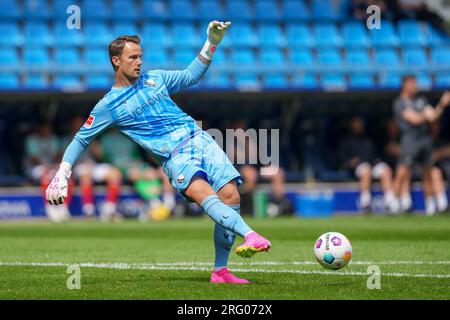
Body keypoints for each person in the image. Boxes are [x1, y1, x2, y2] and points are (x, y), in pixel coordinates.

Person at [45, 21, 271, 284]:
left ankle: (220, 272)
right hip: (175, 156)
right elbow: (81, 139)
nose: (139, 62)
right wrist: (63, 173)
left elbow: (191, 76)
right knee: (204, 194)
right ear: (116, 61)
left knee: (230, 194)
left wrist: (212, 42)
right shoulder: (108, 105)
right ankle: (251, 234)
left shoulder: (156, 78)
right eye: (133, 57)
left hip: (200, 140)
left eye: (141, 56)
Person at [392, 75, 450, 215]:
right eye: (412, 83)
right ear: (405, 85)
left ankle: (430, 205)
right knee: (402, 171)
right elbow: (416, 119)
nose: (415, 86)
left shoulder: (421, 100)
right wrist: (425, 115)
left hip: (425, 140)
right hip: (410, 140)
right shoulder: (399, 102)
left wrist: (442, 104)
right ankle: (393, 203)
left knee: (428, 172)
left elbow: (433, 116)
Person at [63, 116, 123, 221]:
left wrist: (93, 143)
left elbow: (101, 155)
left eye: (81, 123)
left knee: (115, 174)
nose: (79, 126)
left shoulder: (90, 135)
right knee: (86, 175)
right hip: (77, 167)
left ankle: (109, 210)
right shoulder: (67, 139)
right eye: (76, 124)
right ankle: (88, 211)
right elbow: (64, 159)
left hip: (94, 165)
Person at [338, 116, 398, 213]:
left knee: (385, 170)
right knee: (366, 170)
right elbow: (343, 160)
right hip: (358, 168)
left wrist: (376, 161)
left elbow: (376, 155)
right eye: (356, 123)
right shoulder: (346, 141)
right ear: (351, 125)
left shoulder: (368, 139)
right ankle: (365, 203)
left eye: (360, 123)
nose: (359, 125)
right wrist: (351, 162)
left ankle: (390, 202)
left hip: (372, 164)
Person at [24, 120, 71, 222]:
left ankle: (63, 206)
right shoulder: (32, 140)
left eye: (48, 129)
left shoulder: (54, 139)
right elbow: (33, 158)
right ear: (39, 129)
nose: (46, 131)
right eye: (44, 128)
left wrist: (54, 165)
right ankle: (50, 207)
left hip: (51, 166)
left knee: (64, 175)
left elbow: (58, 155)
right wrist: (47, 166)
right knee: (46, 175)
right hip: (35, 167)